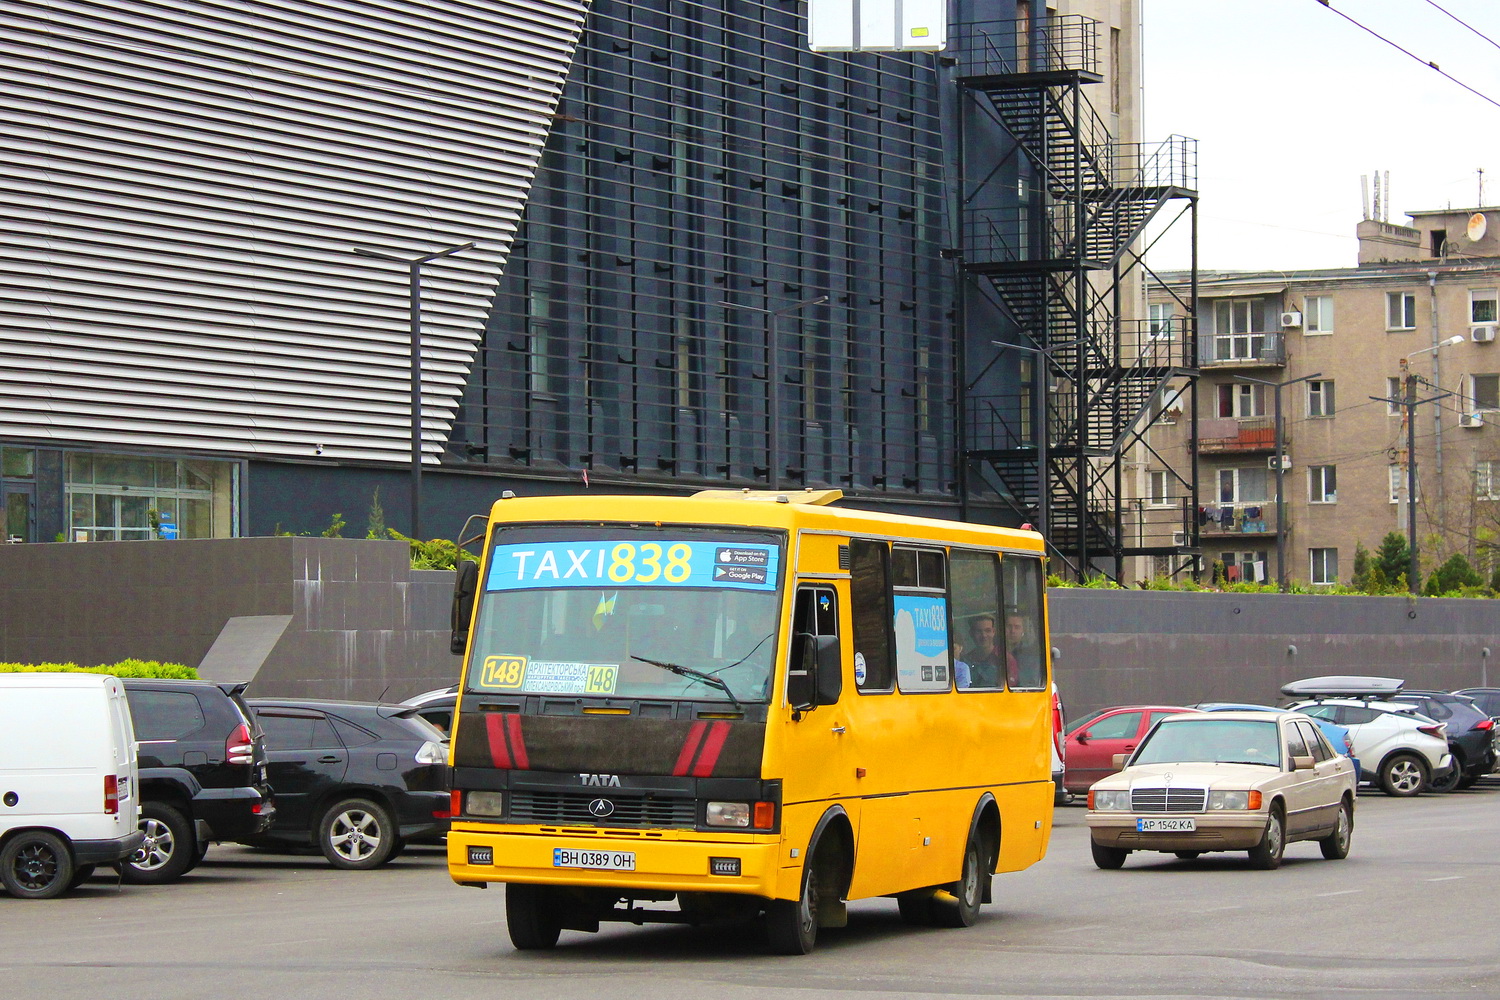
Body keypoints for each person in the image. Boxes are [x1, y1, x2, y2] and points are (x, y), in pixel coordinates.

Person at [964, 614, 1001, 688]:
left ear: (994, 632)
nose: (984, 635)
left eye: (988, 631)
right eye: (979, 631)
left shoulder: (1005, 659)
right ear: (971, 633)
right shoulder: (965, 661)